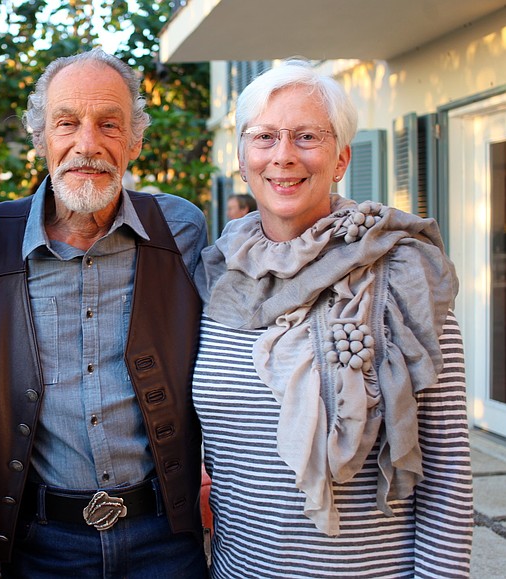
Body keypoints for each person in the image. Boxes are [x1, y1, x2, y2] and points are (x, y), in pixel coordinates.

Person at [192, 59, 474, 577]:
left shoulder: (400, 276)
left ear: (341, 158)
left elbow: (446, 471)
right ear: (242, 159)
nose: (283, 155)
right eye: (264, 137)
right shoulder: (214, 279)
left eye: (306, 136)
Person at [0, 48, 209, 578]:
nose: (88, 144)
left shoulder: (179, 230)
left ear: (134, 141)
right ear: (41, 138)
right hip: (41, 545)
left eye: (109, 124)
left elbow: (222, 353)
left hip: (166, 539)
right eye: (67, 122)